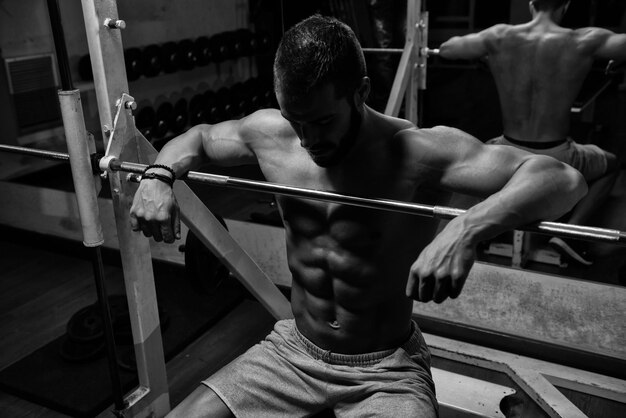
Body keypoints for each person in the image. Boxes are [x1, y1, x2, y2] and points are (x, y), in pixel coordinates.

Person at [130, 14, 586, 418]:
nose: (307, 139)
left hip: (385, 367)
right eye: (296, 120)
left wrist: (467, 228)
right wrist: (157, 173)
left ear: (361, 93)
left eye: (323, 122)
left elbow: (560, 178)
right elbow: (202, 137)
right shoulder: (272, 134)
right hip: (293, 353)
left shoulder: (414, 151)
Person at [438, 0, 626, 266]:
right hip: (559, 156)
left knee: (481, 152)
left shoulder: (500, 36)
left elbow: (447, 49)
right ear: (566, 5)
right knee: (613, 163)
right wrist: (617, 62)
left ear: (531, 4)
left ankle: (481, 227)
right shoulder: (585, 40)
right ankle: (570, 235)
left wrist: (486, 51)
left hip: (507, 151)